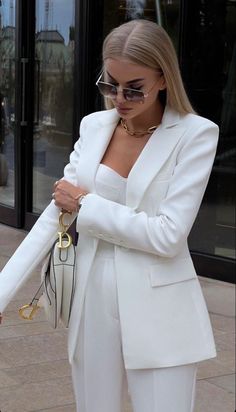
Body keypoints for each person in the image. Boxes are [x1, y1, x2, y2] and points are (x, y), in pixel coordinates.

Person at [0, 19, 219, 412]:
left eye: (134, 88)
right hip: (92, 303)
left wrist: (86, 205)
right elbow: (55, 214)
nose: (119, 97)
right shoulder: (94, 126)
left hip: (161, 310)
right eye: (109, 83)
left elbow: (167, 235)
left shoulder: (196, 134)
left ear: (164, 78)